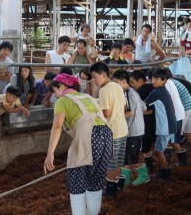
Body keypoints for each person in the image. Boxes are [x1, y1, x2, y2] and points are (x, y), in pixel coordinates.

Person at [44, 73, 112, 215]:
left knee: (77, 181)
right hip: (106, 136)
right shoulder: (89, 97)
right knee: (95, 181)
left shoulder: (62, 101)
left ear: (61, 87)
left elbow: (57, 126)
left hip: (89, 137)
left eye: (55, 91)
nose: (55, 96)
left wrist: (50, 153)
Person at [90, 61, 128, 196]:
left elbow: (106, 113)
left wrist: (94, 115)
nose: (93, 80)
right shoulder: (117, 87)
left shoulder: (104, 90)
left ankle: (110, 190)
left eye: (95, 77)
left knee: (110, 162)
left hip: (113, 131)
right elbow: (123, 107)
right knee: (118, 162)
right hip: (123, 128)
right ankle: (118, 186)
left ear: (103, 75)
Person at [145, 67, 184, 181]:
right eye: (152, 78)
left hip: (164, 127)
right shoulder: (163, 91)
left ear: (164, 80)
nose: (153, 81)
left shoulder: (156, 93)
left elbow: (144, 105)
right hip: (170, 124)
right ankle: (165, 170)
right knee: (166, 146)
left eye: (156, 79)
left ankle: (165, 174)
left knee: (158, 150)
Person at [112, 70, 149, 186]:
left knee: (132, 158)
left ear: (123, 82)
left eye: (116, 83)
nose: (114, 86)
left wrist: (115, 118)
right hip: (134, 130)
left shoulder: (127, 94)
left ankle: (144, 176)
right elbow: (143, 107)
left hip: (133, 131)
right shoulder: (134, 92)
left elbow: (130, 113)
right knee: (127, 158)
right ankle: (125, 180)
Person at [129, 70, 156, 173]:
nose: (132, 85)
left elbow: (136, 110)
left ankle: (149, 165)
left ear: (140, 80)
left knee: (145, 147)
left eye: (133, 82)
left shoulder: (139, 93)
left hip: (146, 124)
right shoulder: (153, 87)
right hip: (157, 121)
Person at [168, 71, 191, 152]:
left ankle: (179, 152)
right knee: (189, 130)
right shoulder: (175, 82)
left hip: (184, 109)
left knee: (176, 134)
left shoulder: (170, 85)